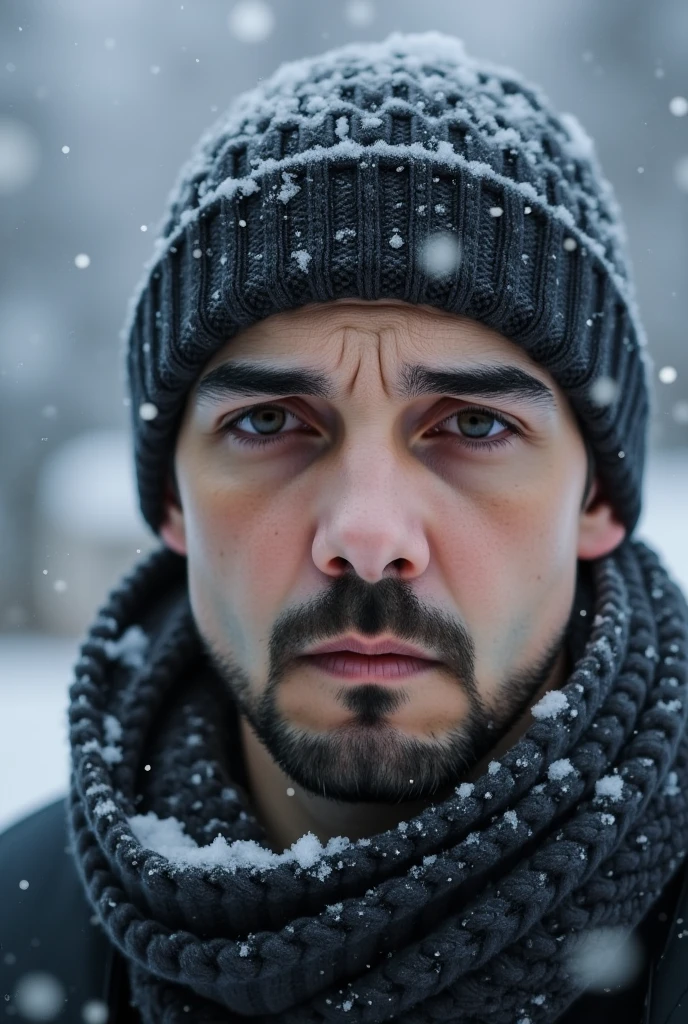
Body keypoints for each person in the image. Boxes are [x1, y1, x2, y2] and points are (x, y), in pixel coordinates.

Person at [2, 30, 688, 1024]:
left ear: (597, 499)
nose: (366, 536)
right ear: (170, 502)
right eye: (271, 423)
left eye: (472, 425)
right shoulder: (25, 937)